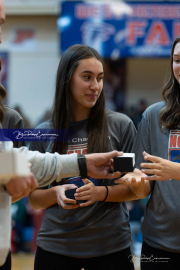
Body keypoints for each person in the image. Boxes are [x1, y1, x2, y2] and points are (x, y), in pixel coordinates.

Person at [28, 44, 140, 270]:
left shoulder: (121, 125)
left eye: (99, 78)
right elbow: (34, 198)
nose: (95, 86)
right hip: (55, 246)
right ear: (67, 79)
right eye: (87, 77)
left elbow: (134, 188)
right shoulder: (43, 132)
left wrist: (101, 193)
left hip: (111, 247)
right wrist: (55, 192)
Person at [116, 35, 180, 270]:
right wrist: (136, 182)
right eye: (177, 60)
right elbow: (144, 187)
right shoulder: (154, 116)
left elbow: (170, 171)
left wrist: (175, 170)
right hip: (158, 242)